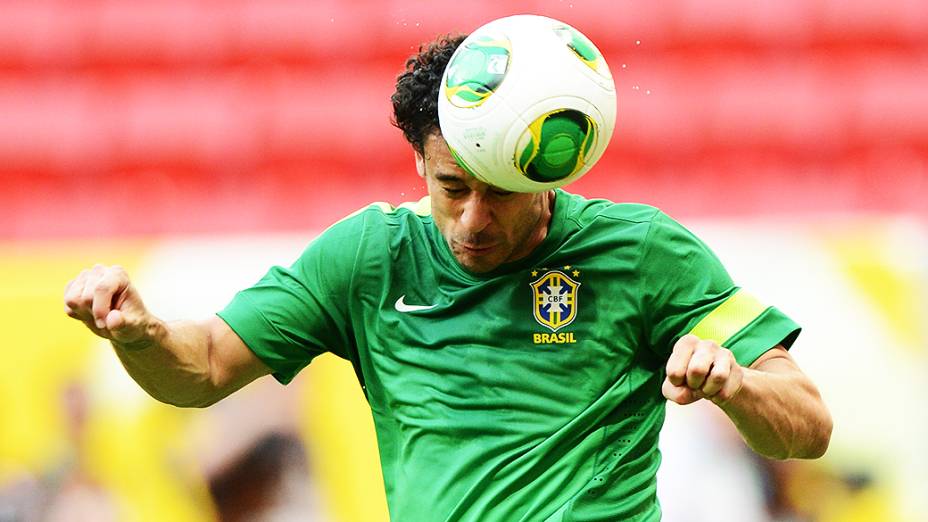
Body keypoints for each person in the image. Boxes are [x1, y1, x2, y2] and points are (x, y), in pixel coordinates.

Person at [64, 33, 832, 521]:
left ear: (543, 171)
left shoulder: (641, 251)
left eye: (497, 191)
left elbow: (808, 425)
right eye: (450, 187)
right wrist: (142, 334)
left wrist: (735, 383)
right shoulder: (369, 257)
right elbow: (200, 369)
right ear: (420, 164)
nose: (472, 220)